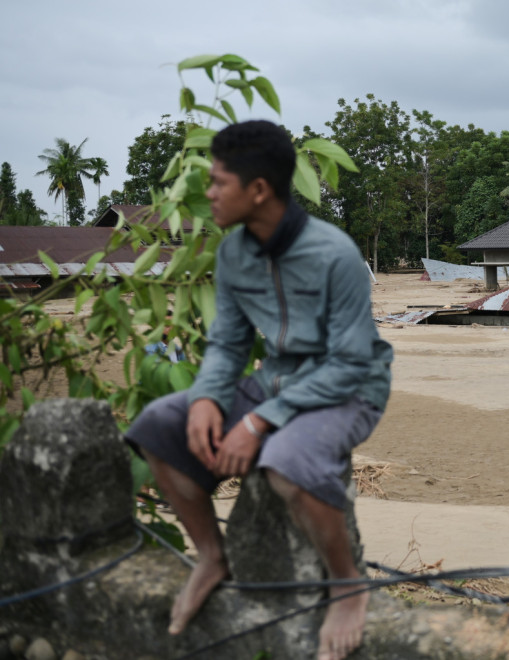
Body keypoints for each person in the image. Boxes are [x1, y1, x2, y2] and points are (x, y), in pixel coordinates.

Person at [125, 120, 393, 660]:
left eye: (219, 182)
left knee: (287, 460)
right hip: (273, 381)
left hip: (350, 388)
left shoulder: (335, 254)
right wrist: (205, 397)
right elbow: (226, 344)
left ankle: (346, 583)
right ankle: (211, 556)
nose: (209, 193)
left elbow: (350, 361)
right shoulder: (232, 254)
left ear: (259, 190)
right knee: (158, 424)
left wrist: (257, 421)